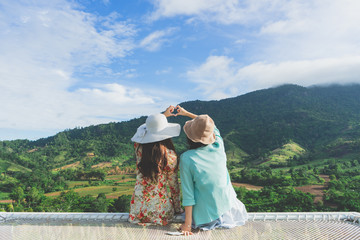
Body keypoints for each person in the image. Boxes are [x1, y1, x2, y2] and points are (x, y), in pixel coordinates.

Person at [176, 105, 248, 236]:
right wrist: (187, 113)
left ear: (189, 136)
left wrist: (187, 225)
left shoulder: (186, 158)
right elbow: (210, 126)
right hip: (230, 209)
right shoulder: (218, 144)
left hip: (206, 216)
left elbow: (188, 194)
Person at [129, 106, 183, 226]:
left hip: (137, 210)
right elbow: (173, 186)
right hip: (160, 212)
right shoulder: (170, 156)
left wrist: (162, 116)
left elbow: (145, 129)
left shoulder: (138, 148)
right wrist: (178, 208)